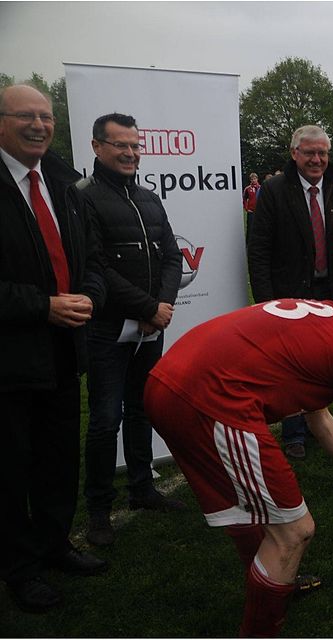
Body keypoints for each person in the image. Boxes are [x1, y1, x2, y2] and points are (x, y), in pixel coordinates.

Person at [143, 264, 333, 637]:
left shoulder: (325, 316)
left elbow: (318, 418)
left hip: (169, 380)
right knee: (295, 531)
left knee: (254, 511)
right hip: (206, 398)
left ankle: (274, 581)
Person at [0, 84, 107, 612]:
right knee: (11, 466)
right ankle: (20, 569)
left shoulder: (61, 185)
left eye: (46, 116)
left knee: (58, 459)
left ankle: (55, 544)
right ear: (1, 122)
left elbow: (88, 258)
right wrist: (42, 306)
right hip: (11, 362)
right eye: (26, 116)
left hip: (64, 353)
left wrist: (88, 294)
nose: (39, 125)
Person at [69, 113, 185, 548]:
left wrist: (163, 305)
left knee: (141, 409)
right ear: (97, 147)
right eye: (121, 145)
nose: (131, 153)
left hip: (150, 327)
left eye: (136, 146)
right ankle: (99, 509)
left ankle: (142, 489)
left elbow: (172, 256)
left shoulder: (150, 198)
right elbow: (92, 266)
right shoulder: (82, 197)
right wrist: (149, 307)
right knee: (104, 420)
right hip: (106, 331)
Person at [247, 125, 333, 460]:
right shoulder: (274, 190)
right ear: (294, 153)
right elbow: (259, 249)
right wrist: (267, 301)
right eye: (310, 152)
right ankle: (294, 430)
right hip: (288, 295)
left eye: (322, 153)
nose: (317, 159)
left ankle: (319, 424)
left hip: (331, 292)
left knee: (323, 362)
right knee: (291, 364)